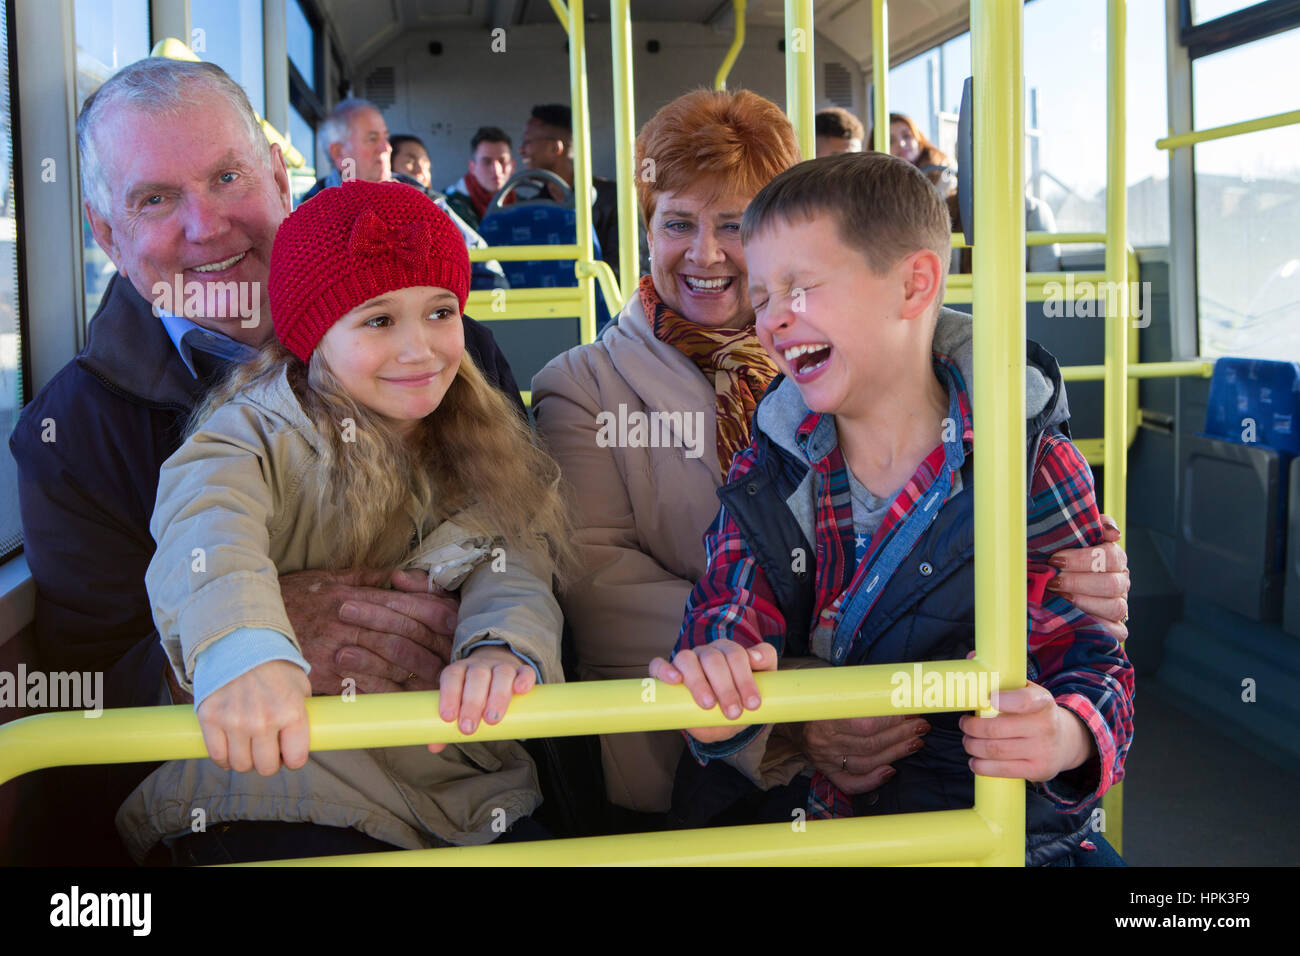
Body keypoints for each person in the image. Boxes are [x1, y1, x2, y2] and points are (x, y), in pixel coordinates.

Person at [531, 89, 1132, 827]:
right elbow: (614, 594)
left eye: (735, 227)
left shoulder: (990, 427)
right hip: (712, 760)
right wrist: (802, 697)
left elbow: (1083, 641)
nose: (708, 253)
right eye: (679, 223)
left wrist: (1069, 710)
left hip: (971, 794)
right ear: (645, 230)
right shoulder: (604, 391)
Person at [7, 57, 522, 863]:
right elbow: (91, 696)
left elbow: (526, 544)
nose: (205, 226)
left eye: (225, 176)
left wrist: (498, 642)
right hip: (250, 794)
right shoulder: (73, 433)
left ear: (279, 179)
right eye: (154, 199)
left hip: (462, 763)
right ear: (106, 234)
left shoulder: (447, 350)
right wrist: (250, 639)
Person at [121, 181, 569, 863]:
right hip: (283, 776)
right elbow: (208, 531)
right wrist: (243, 651)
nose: (419, 349)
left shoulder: (480, 443)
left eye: (440, 311)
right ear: (314, 334)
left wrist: (500, 647)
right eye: (379, 320)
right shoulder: (253, 437)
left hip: (452, 782)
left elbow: (514, 562)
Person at [519, 103, 622, 280]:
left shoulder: (615, 200)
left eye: (528, 142)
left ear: (554, 149)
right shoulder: (530, 207)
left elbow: (622, 271)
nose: (521, 151)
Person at [444, 126, 515, 231]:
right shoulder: (448, 206)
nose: (496, 170)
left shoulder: (523, 203)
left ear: (512, 165)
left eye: (502, 161)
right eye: (486, 162)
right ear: (472, 167)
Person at [871, 112, 957, 197]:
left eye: (906, 136)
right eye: (891, 141)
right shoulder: (877, 186)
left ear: (918, 138)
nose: (901, 144)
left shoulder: (943, 172)